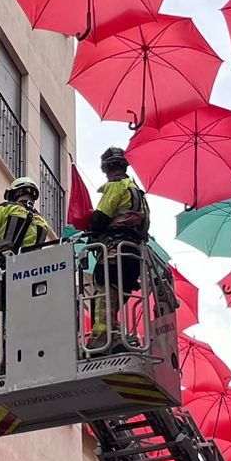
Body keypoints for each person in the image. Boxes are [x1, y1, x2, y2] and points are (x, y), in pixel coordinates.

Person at [0, 177, 52, 374]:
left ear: (14, 193)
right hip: (24, 280)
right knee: (17, 320)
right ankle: (15, 364)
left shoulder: (6, 208)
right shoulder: (41, 223)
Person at [87, 147, 150, 350]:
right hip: (133, 255)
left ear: (106, 168)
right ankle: (116, 337)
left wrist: (90, 226)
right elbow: (144, 227)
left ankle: (100, 342)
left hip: (114, 253)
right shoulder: (137, 192)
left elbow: (100, 219)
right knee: (115, 299)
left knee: (103, 297)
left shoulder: (116, 186)